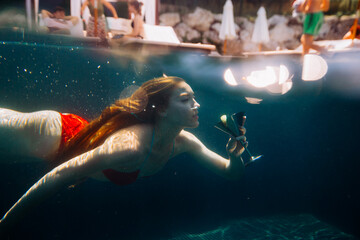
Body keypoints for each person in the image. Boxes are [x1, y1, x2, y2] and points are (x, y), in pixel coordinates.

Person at [0, 76, 247, 232]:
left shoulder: (183, 142)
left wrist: (235, 157)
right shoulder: (130, 146)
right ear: (161, 109)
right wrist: (7, 224)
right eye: (186, 99)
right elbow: (60, 175)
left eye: (194, 99)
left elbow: (230, 174)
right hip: (51, 134)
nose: (197, 105)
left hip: (54, 145)